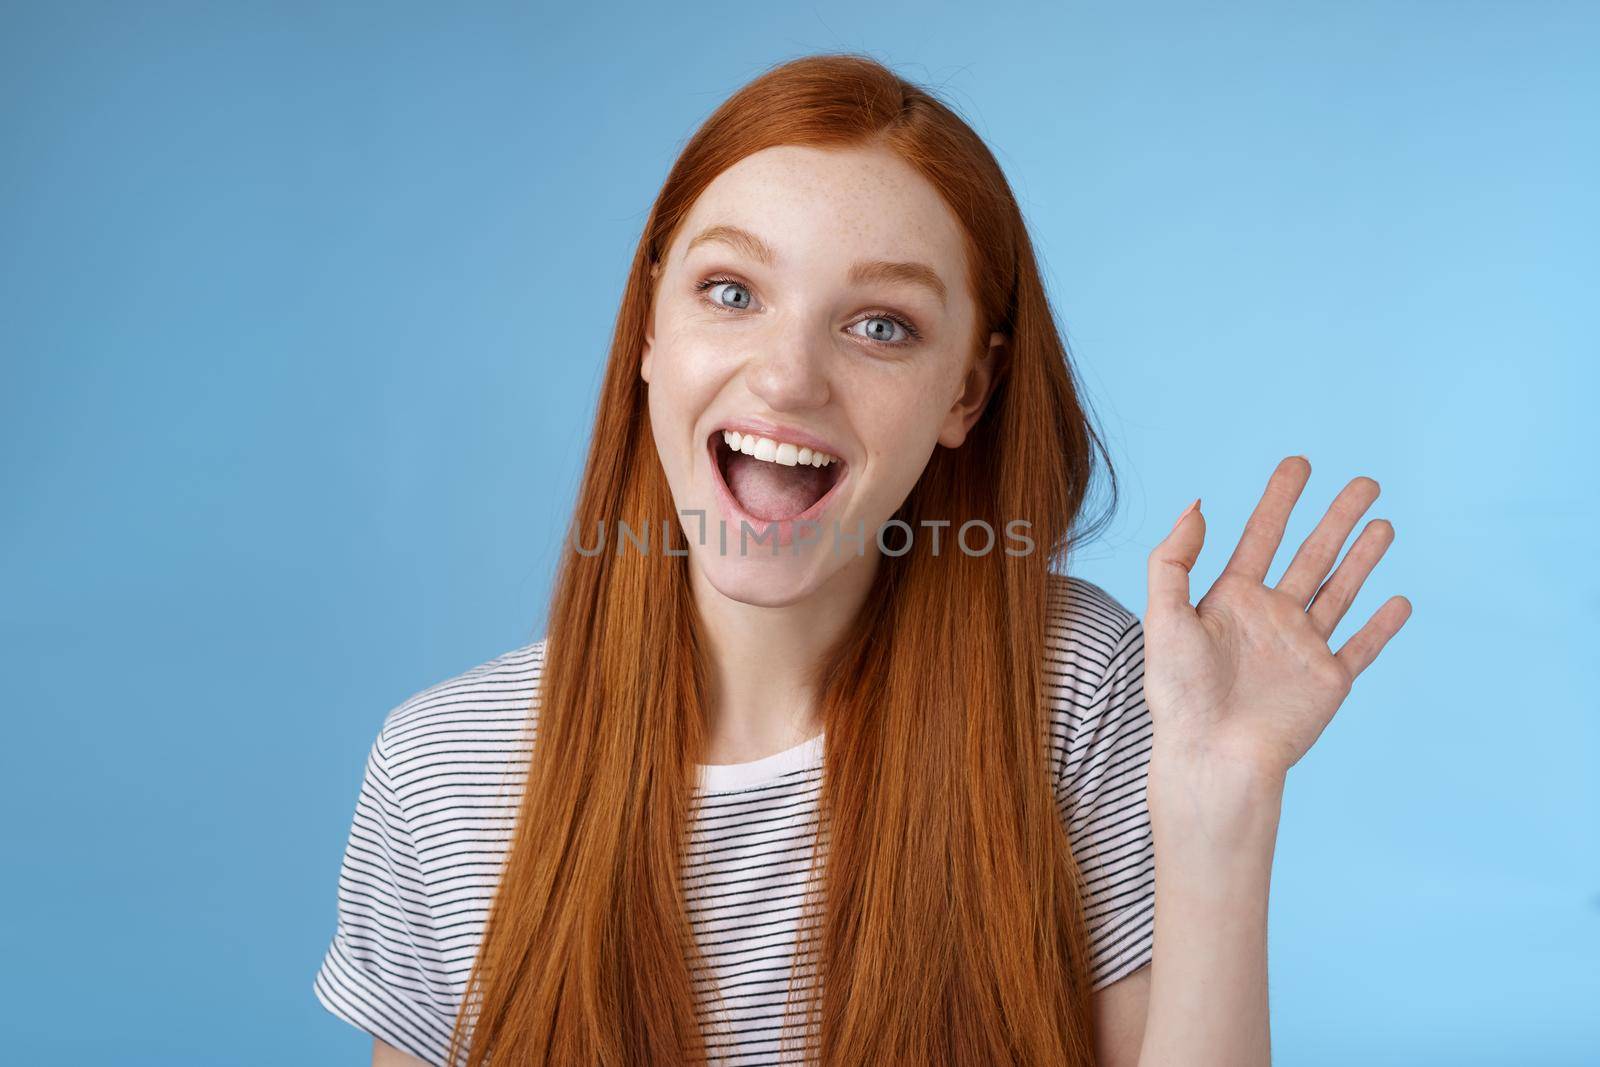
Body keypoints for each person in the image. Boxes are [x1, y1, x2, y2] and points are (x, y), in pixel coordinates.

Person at [313, 53, 1410, 1067]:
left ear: (965, 395)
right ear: (649, 329)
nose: (787, 377)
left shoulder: (1074, 690)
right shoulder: (442, 772)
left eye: (880, 323)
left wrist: (1225, 800)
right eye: (731, 291)